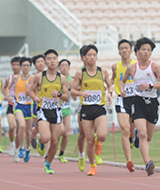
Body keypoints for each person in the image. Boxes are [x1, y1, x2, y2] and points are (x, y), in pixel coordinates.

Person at [121, 37, 160, 177]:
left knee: (148, 137)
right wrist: (122, 90)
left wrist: (150, 85)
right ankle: (147, 162)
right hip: (138, 102)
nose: (146, 52)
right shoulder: (131, 68)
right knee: (143, 134)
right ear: (137, 52)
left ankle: (137, 137)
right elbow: (123, 81)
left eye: (149, 50)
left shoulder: (154, 67)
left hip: (152, 103)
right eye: (143, 49)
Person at [70, 44, 113, 176]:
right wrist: (81, 93)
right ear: (83, 58)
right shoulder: (80, 73)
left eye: (94, 55)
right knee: (88, 140)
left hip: (99, 108)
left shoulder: (103, 71)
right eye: (89, 55)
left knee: (102, 135)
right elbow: (72, 90)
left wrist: (109, 94)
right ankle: (93, 166)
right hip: (86, 109)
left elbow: (110, 86)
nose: (92, 57)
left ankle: (98, 143)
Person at [27, 49, 69, 175]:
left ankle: (48, 164)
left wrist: (59, 94)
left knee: (55, 141)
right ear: (45, 62)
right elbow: (30, 91)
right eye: (49, 58)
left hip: (56, 111)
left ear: (58, 61)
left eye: (54, 58)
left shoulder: (62, 78)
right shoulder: (39, 76)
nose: (52, 61)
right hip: (43, 110)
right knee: (46, 138)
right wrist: (35, 98)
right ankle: (40, 142)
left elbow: (66, 97)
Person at [112, 39, 137, 173]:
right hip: (122, 99)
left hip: (136, 99)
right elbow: (113, 78)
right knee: (125, 129)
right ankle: (129, 160)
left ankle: (133, 138)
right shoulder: (115, 66)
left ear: (131, 50)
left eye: (126, 48)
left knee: (132, 129)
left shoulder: (136, 65)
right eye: (122, 48)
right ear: (119, 51)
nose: (124, 50)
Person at [10, 57, 34, 162]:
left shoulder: (33, 78)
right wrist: (8, 96)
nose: (25, 67)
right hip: (19, 105)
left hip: (29, 106)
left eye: (27, 66)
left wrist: (29, 87)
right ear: (20, 67)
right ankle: (21, 148)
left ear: (30, 67)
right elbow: (7, 88)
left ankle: (28, 149)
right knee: (22, 126)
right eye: (23, 65)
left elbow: (35, 90)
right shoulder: (16, 78)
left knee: (28, 132)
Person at [2, 57, 20, 155]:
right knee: (12, 126)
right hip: (11, 105)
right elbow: (5, 88)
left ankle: (18, 147)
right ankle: (12, 143)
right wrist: (6, 96)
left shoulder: (25, 78)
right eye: (14, 65)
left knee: (20, 128)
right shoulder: (8, 79)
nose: (16, 67)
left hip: (21, 105)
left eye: (18, 65)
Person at [56, 58, 72, 163]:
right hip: (57, 108)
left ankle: (61, 153)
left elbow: (74, 94)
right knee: (59, 132)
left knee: (65, 133)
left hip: (67, 109)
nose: (64, 67)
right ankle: (51, 150)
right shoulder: (56, 79)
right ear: (59, 67)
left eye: (66, 65)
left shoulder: (72, 80)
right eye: (62, 65)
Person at [30, 54, 46, 154]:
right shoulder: (33, 77)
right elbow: (29, 91)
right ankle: (33, 136)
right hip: (37, 104)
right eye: (38, 62)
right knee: (38, 128)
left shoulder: (50, 75)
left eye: (42, 61)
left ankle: (46, 148)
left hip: (48, 104)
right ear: (35, 65)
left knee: (48, 128)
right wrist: (36, 97)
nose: (40, 63)